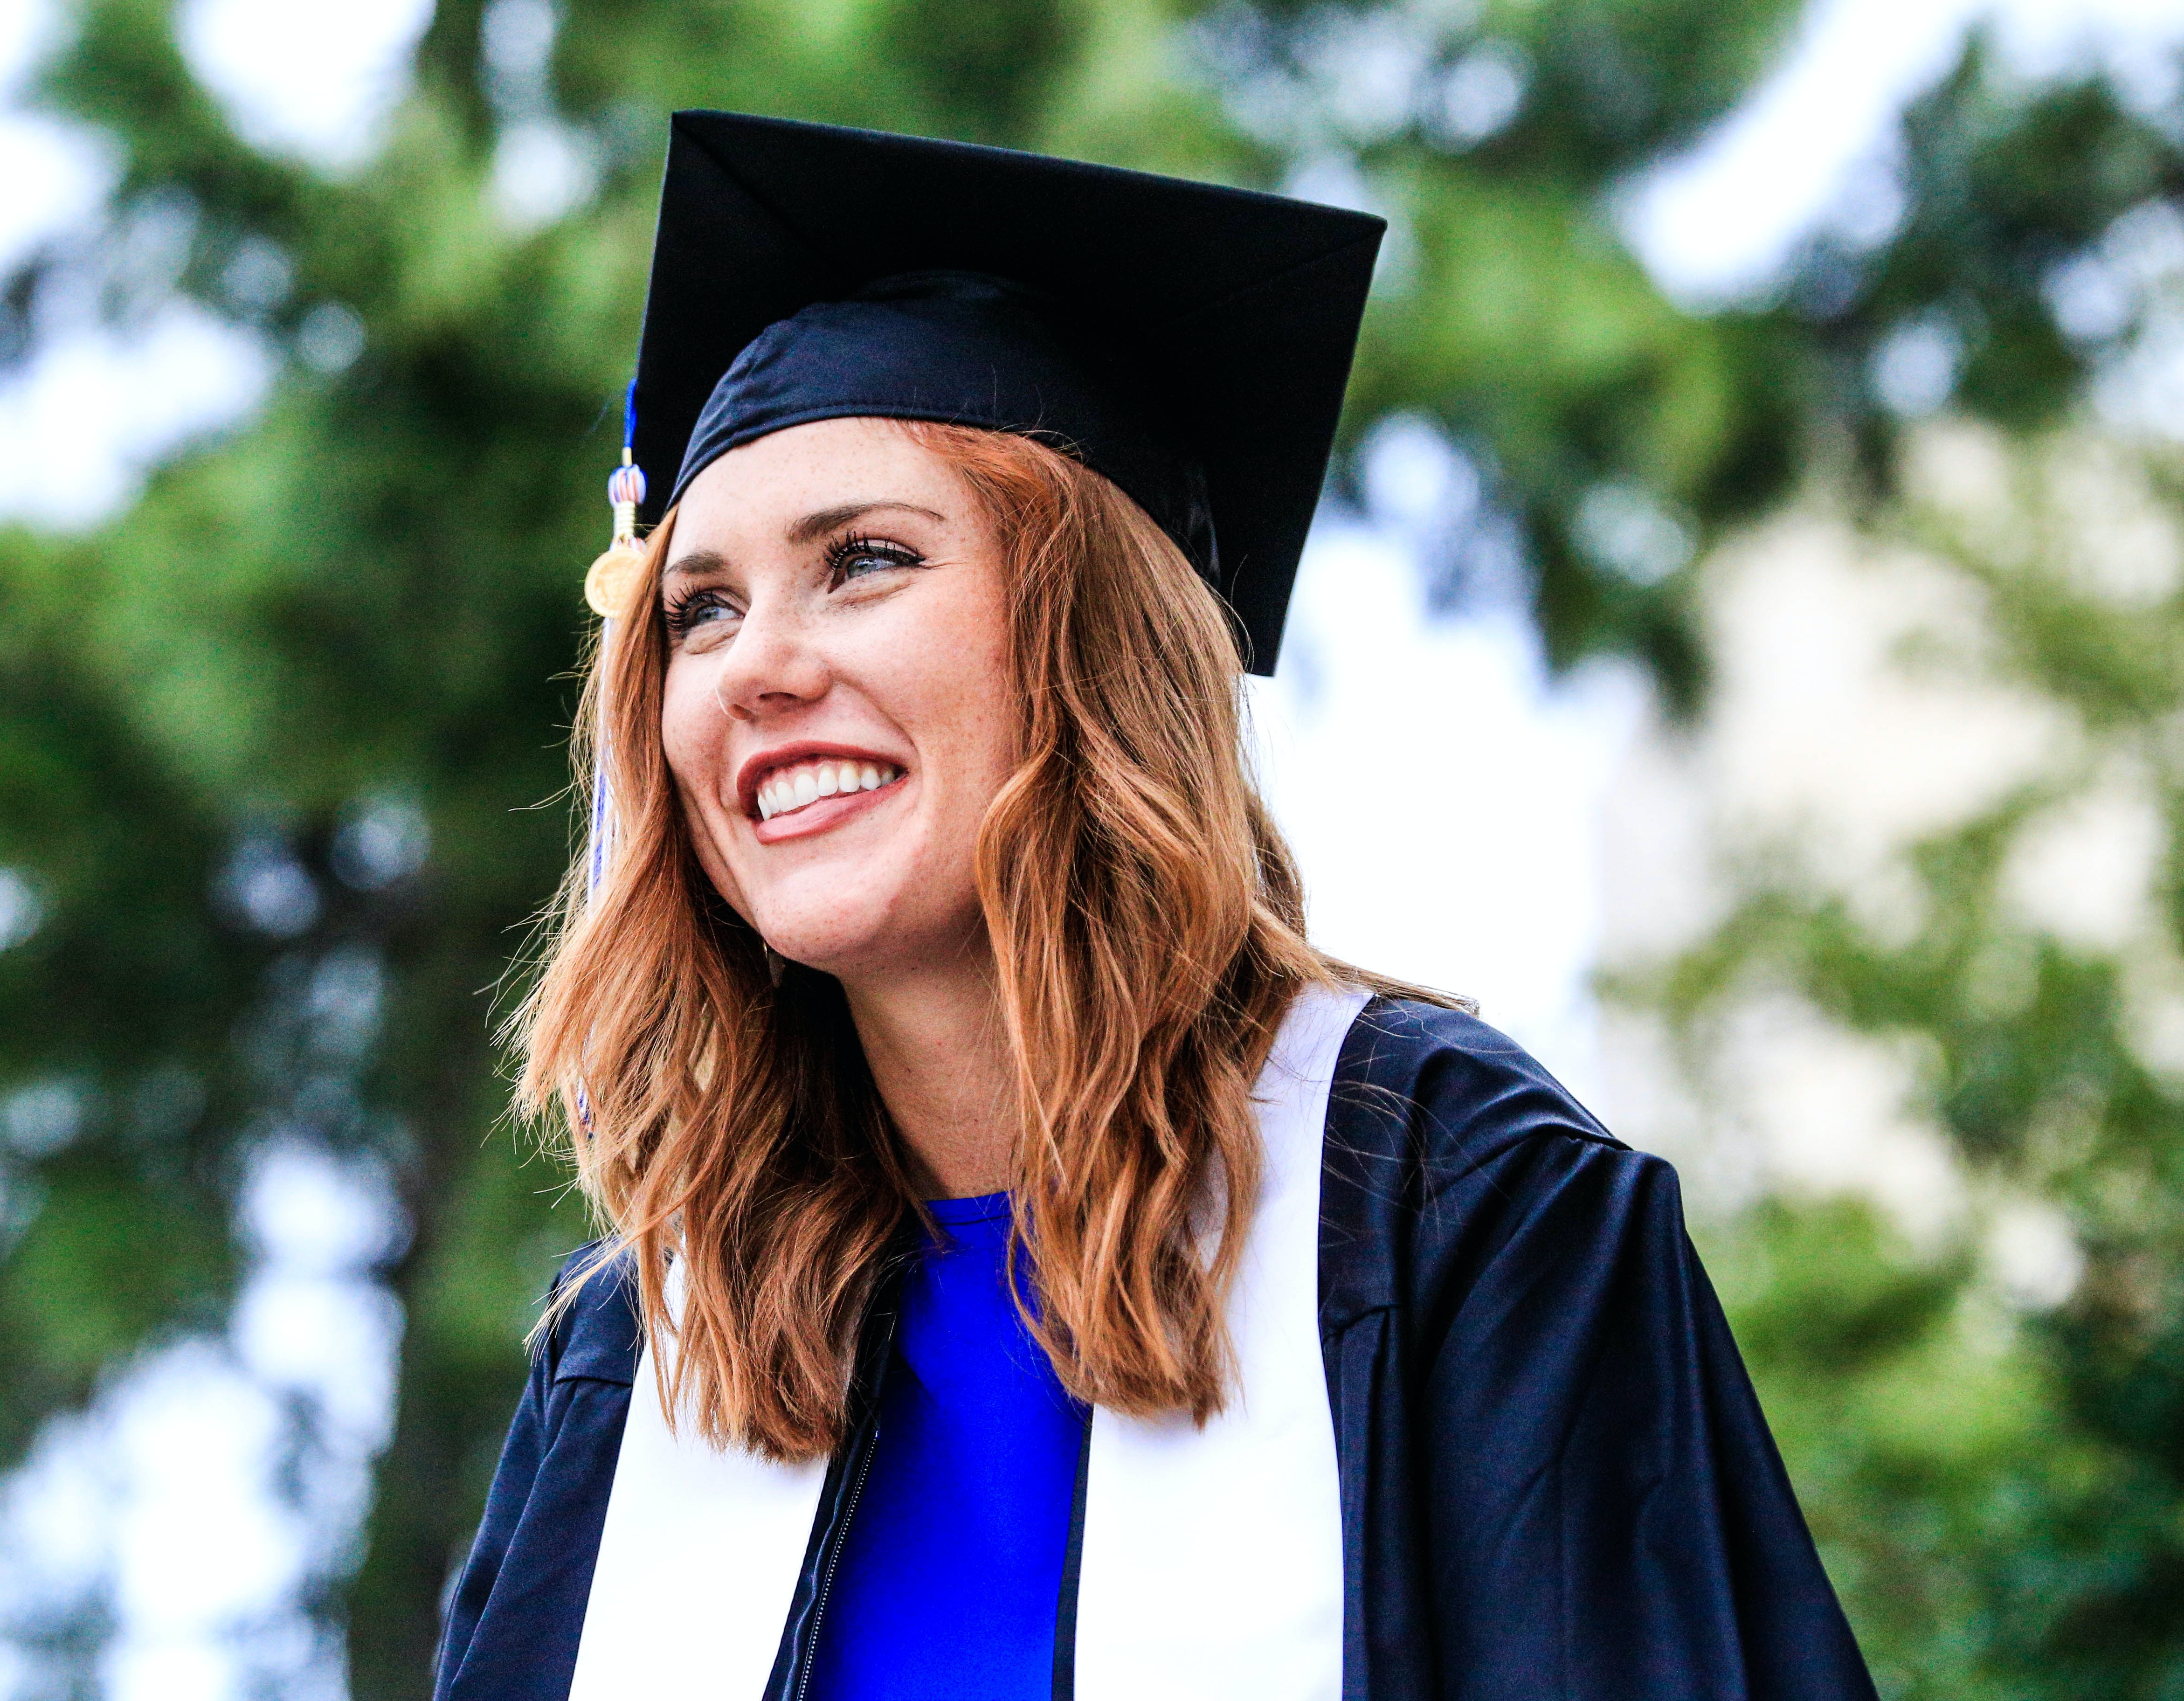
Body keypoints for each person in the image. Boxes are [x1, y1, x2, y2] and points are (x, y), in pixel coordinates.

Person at [433, 111, 1876, 1701]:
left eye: (864, 561)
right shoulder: (642, 1358)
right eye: (700, 608)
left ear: (1094, 644)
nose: (757, 666)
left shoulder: (1445, 1209)